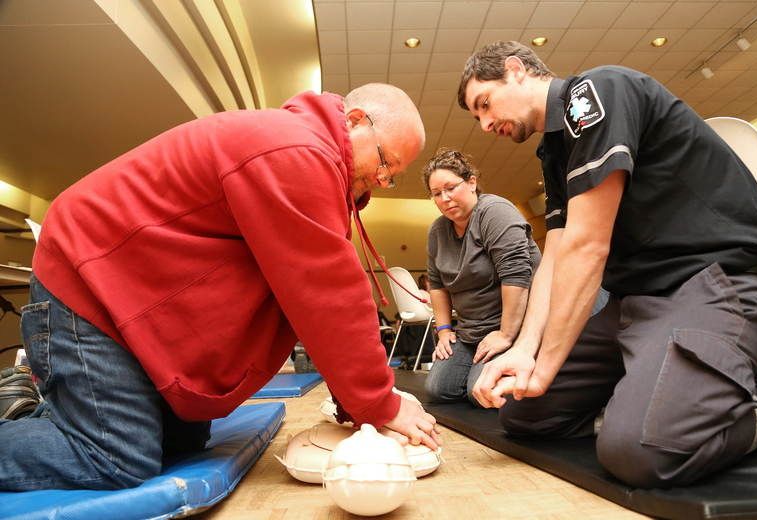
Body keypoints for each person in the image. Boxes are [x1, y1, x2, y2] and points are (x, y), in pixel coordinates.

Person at [0, 83, 442, 491]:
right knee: (115, 458)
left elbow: (302, 294)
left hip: (125, 300)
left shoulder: (302, 153)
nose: (384, 181)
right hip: (87, 289)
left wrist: (358, 399)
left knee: (183, 443)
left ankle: (36, 410)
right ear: (356, 120)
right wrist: (379, 403)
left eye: (393, 176)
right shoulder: (296, 150)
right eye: (385, 162)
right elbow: (328, 296)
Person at [460, 41, 757, 488]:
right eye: (477, 117)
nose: (486, 123)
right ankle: (662, 405)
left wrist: (546, 365)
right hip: (639, 301)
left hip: (716, 285)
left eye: (485, 104)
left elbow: (588, 247)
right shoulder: (554, 151)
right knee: (523, 415)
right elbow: (555, 255)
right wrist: (524, 351)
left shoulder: (596, 92)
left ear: (516, 70)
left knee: (637, 452)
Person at [423, 149, 540, 406]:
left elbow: (517, 275)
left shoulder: (495, 211)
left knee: (479, 394)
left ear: (472, 182)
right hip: (470, 332)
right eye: (436, 194)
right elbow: (437, 284)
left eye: (451, 188)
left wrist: (506, 335)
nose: (445, 198)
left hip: (511, 326)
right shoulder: (438, 231)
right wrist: (443, 331)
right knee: (437, 389)